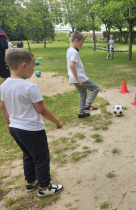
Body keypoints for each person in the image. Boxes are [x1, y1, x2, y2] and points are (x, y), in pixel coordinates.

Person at [0, 48, 64, 197]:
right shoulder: (30, 87)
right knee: (41, 158)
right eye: (32, 65)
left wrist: (8, 123)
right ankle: (45, 187)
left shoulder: (3, 85)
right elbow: (42, 109)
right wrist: (57, 122)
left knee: (28, 154)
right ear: (24, 66)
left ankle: (30, 182)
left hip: (15, 129)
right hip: (32, 130)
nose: (33, 68)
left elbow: (2, 106)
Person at [67, 31, 100, 118]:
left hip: (72, 78)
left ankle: (81, 113)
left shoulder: (69, 50)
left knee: (83, 93)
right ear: (76, 41)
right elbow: (71, 65)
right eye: (81, 43)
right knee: (95, 88)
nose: (81, 46)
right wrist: (78, 79)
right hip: (80, 78)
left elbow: (72, 41)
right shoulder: (74, 52)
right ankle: (87, 105)